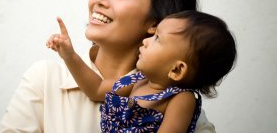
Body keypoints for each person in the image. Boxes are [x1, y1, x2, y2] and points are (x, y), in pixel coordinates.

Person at [0, 0, 217, 133]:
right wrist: (69, 54)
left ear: (155, 23)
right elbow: (96, 88)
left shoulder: (180, 104)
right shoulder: (44, 79)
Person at [47, 10, 237, 132]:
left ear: (177, 69)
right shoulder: (138, 80)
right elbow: (96, 89)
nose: (146, 40)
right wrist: (69, 56)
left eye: (157, 39)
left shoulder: (181, 99)